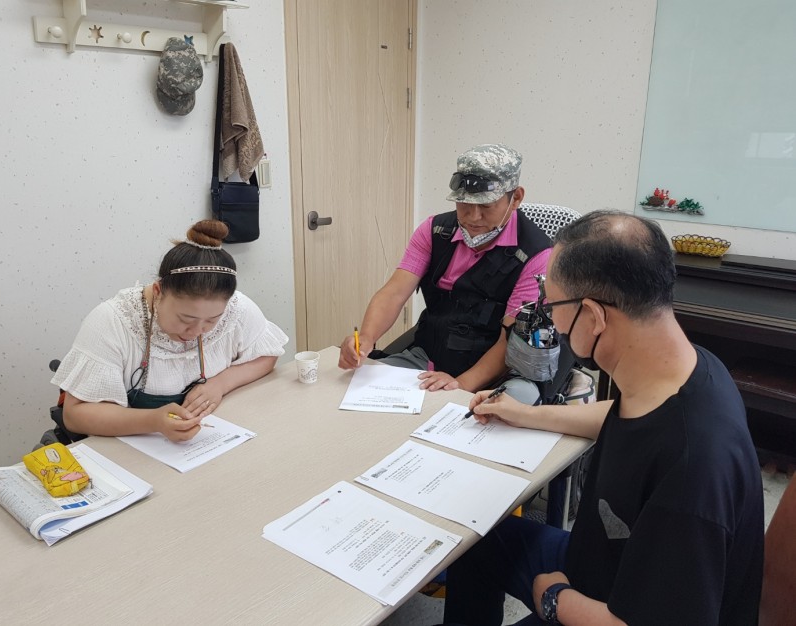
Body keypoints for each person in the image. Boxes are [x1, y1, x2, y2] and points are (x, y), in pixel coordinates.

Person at [443, 211, 764, 625]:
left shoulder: (693, 470)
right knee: (474, 539)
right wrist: (524, 413)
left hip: (613, 607)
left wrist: (555, 599)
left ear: (594, 317)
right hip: (601, 562)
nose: (552, 319)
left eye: (552, 305)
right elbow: (623, 416)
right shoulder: (686, 369)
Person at [338, 144, 552, 399]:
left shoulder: (537, 255)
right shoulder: (435, 231)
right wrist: (366, 338)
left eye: (486, 206)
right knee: (358, 386)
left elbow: (510, 341)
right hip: (431, 358)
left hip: (498, 373)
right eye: (464, 203)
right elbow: (394, 293)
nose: (473, 217)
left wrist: (458, 386)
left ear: (515, 198)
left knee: (517, 403)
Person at [52, 220, 288, 442]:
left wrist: (221, 383)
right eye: (186, 319)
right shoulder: (112, 321)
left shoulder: (237, 309)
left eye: (211, 320)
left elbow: (267, 355)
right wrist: (153, 421)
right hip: (135, 448)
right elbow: (75, 415)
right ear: (158, 291)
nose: (196, 331)